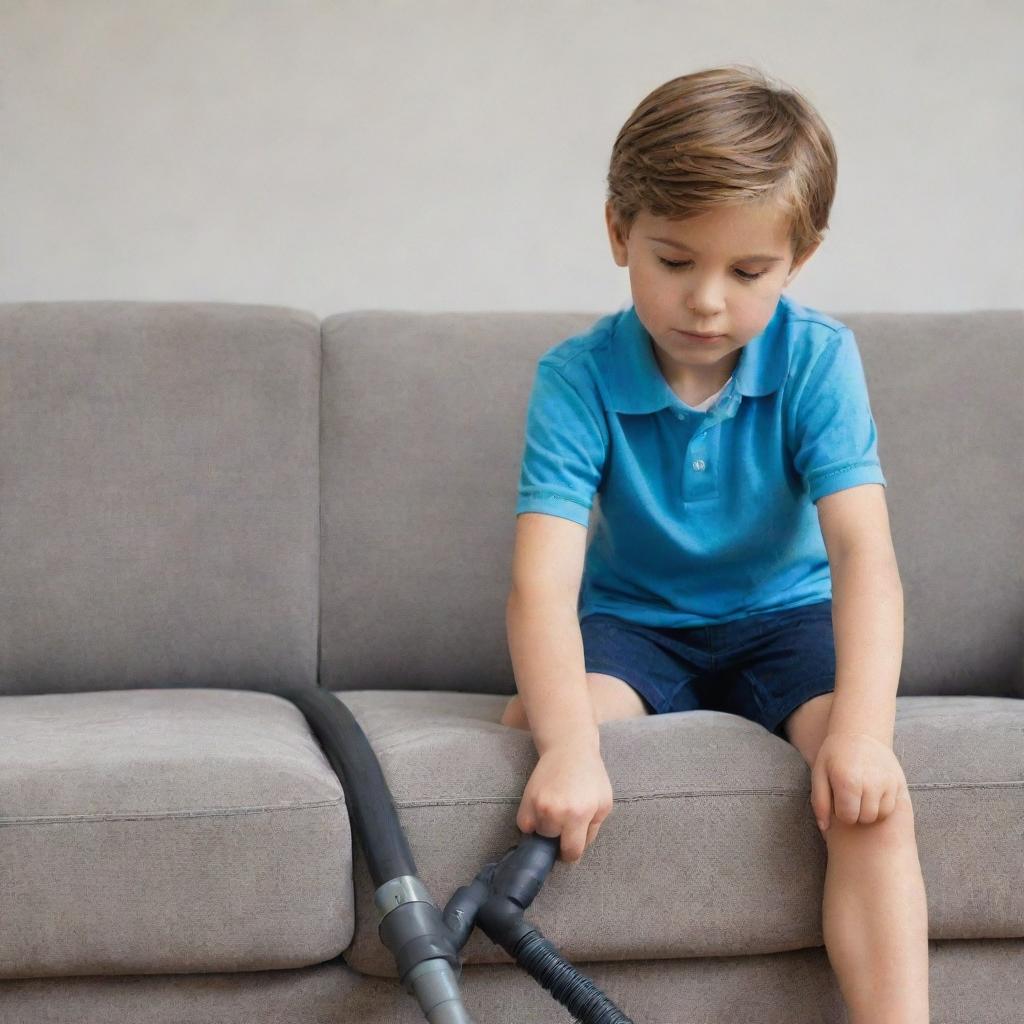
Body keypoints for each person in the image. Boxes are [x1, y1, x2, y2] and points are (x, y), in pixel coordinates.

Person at [500, 64, 929, 1023]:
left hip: (785, 620)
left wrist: (861, 739)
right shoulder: (575, 380)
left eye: (747, 273)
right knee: (536, 730)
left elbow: (864, 556)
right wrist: (568, 744)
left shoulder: (819, 358)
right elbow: (541, 585)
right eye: (674, 260)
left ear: (800, 258)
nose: (705, 302)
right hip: (637, 627)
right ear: (619, 233)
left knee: (868, 798)